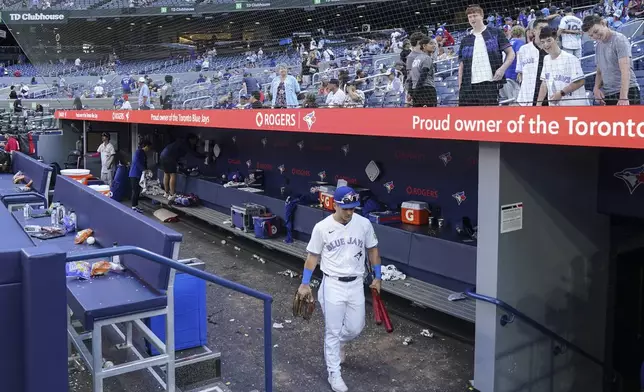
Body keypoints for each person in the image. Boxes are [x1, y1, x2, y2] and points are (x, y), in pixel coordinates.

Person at [297, 186, 382, 392]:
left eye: (353, 209)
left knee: (356, 327)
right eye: (346, 209)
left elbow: (373, 250)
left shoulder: (363, 224)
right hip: (332, 284)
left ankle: (337, 344)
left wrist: (378, 277)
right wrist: (305, 283)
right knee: (332, 332)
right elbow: (312, 257)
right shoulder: (322, 227)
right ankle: (334, 373)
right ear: (335, 205)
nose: (350, 213)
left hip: (355, 284)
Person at [458, 4, 515, 106]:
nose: (472, 19)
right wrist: (459, 87)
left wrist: (502, 69)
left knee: (488, 118)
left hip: (489, 84)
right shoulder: (465, 40)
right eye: (470, 17)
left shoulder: (495, 33)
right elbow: (462, 65)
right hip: (467, 88)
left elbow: (511, 53)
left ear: (482, 16)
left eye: (475, 15)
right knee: (467, 120)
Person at [582, 14, 640, 105]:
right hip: (609, 94)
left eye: (596, 31)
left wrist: (623, 97)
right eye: (591, 35)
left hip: (627, 92)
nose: (595, 36)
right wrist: (596, 88)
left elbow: (625, 71)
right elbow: (599, 71)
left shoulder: (619, 40)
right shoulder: (598, 46)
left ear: (603, 23)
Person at [536, 27, 587, 106]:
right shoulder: (546, 59)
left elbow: (580, 81)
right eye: (543, 42)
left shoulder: (570, 58)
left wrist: (561, 93)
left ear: (556, 40)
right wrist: (538, 104)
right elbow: (544, 83)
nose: (546, 44)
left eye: (549, 40)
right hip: (556, 109)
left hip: (575, 107)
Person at [159, 133, 198, 201]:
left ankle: (166, 193)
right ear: (191, 139)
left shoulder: (180, 141)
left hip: (163, 155)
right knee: (173, 174)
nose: (196, 141)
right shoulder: (185, 144)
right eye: (195, 140)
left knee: (166, 173)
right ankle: (172, 194)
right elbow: (193, 153)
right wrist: (204, 155)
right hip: (169, 157)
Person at [410, 37, 438, 107]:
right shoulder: (427, 58)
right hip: (427, 90)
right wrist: (417, 92)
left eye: (434, 44)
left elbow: (411, 76)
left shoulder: (416, 59)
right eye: (431, 43)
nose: (434, 45)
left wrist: (413, 93)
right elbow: (423, 75)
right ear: (424, 46)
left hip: (415, 89)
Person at [129, 140, 151, 213]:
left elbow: (144, 163)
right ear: (146, 146)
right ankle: (133, 207)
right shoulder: (138, 152)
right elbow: (136, 161)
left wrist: (147, 170)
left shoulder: (143, 153)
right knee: (135, 191)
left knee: (137, 191)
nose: (149, 149)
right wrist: (144, 170)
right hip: (134, 174)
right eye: (149, 147)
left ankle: (136, 205)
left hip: (139, 175)